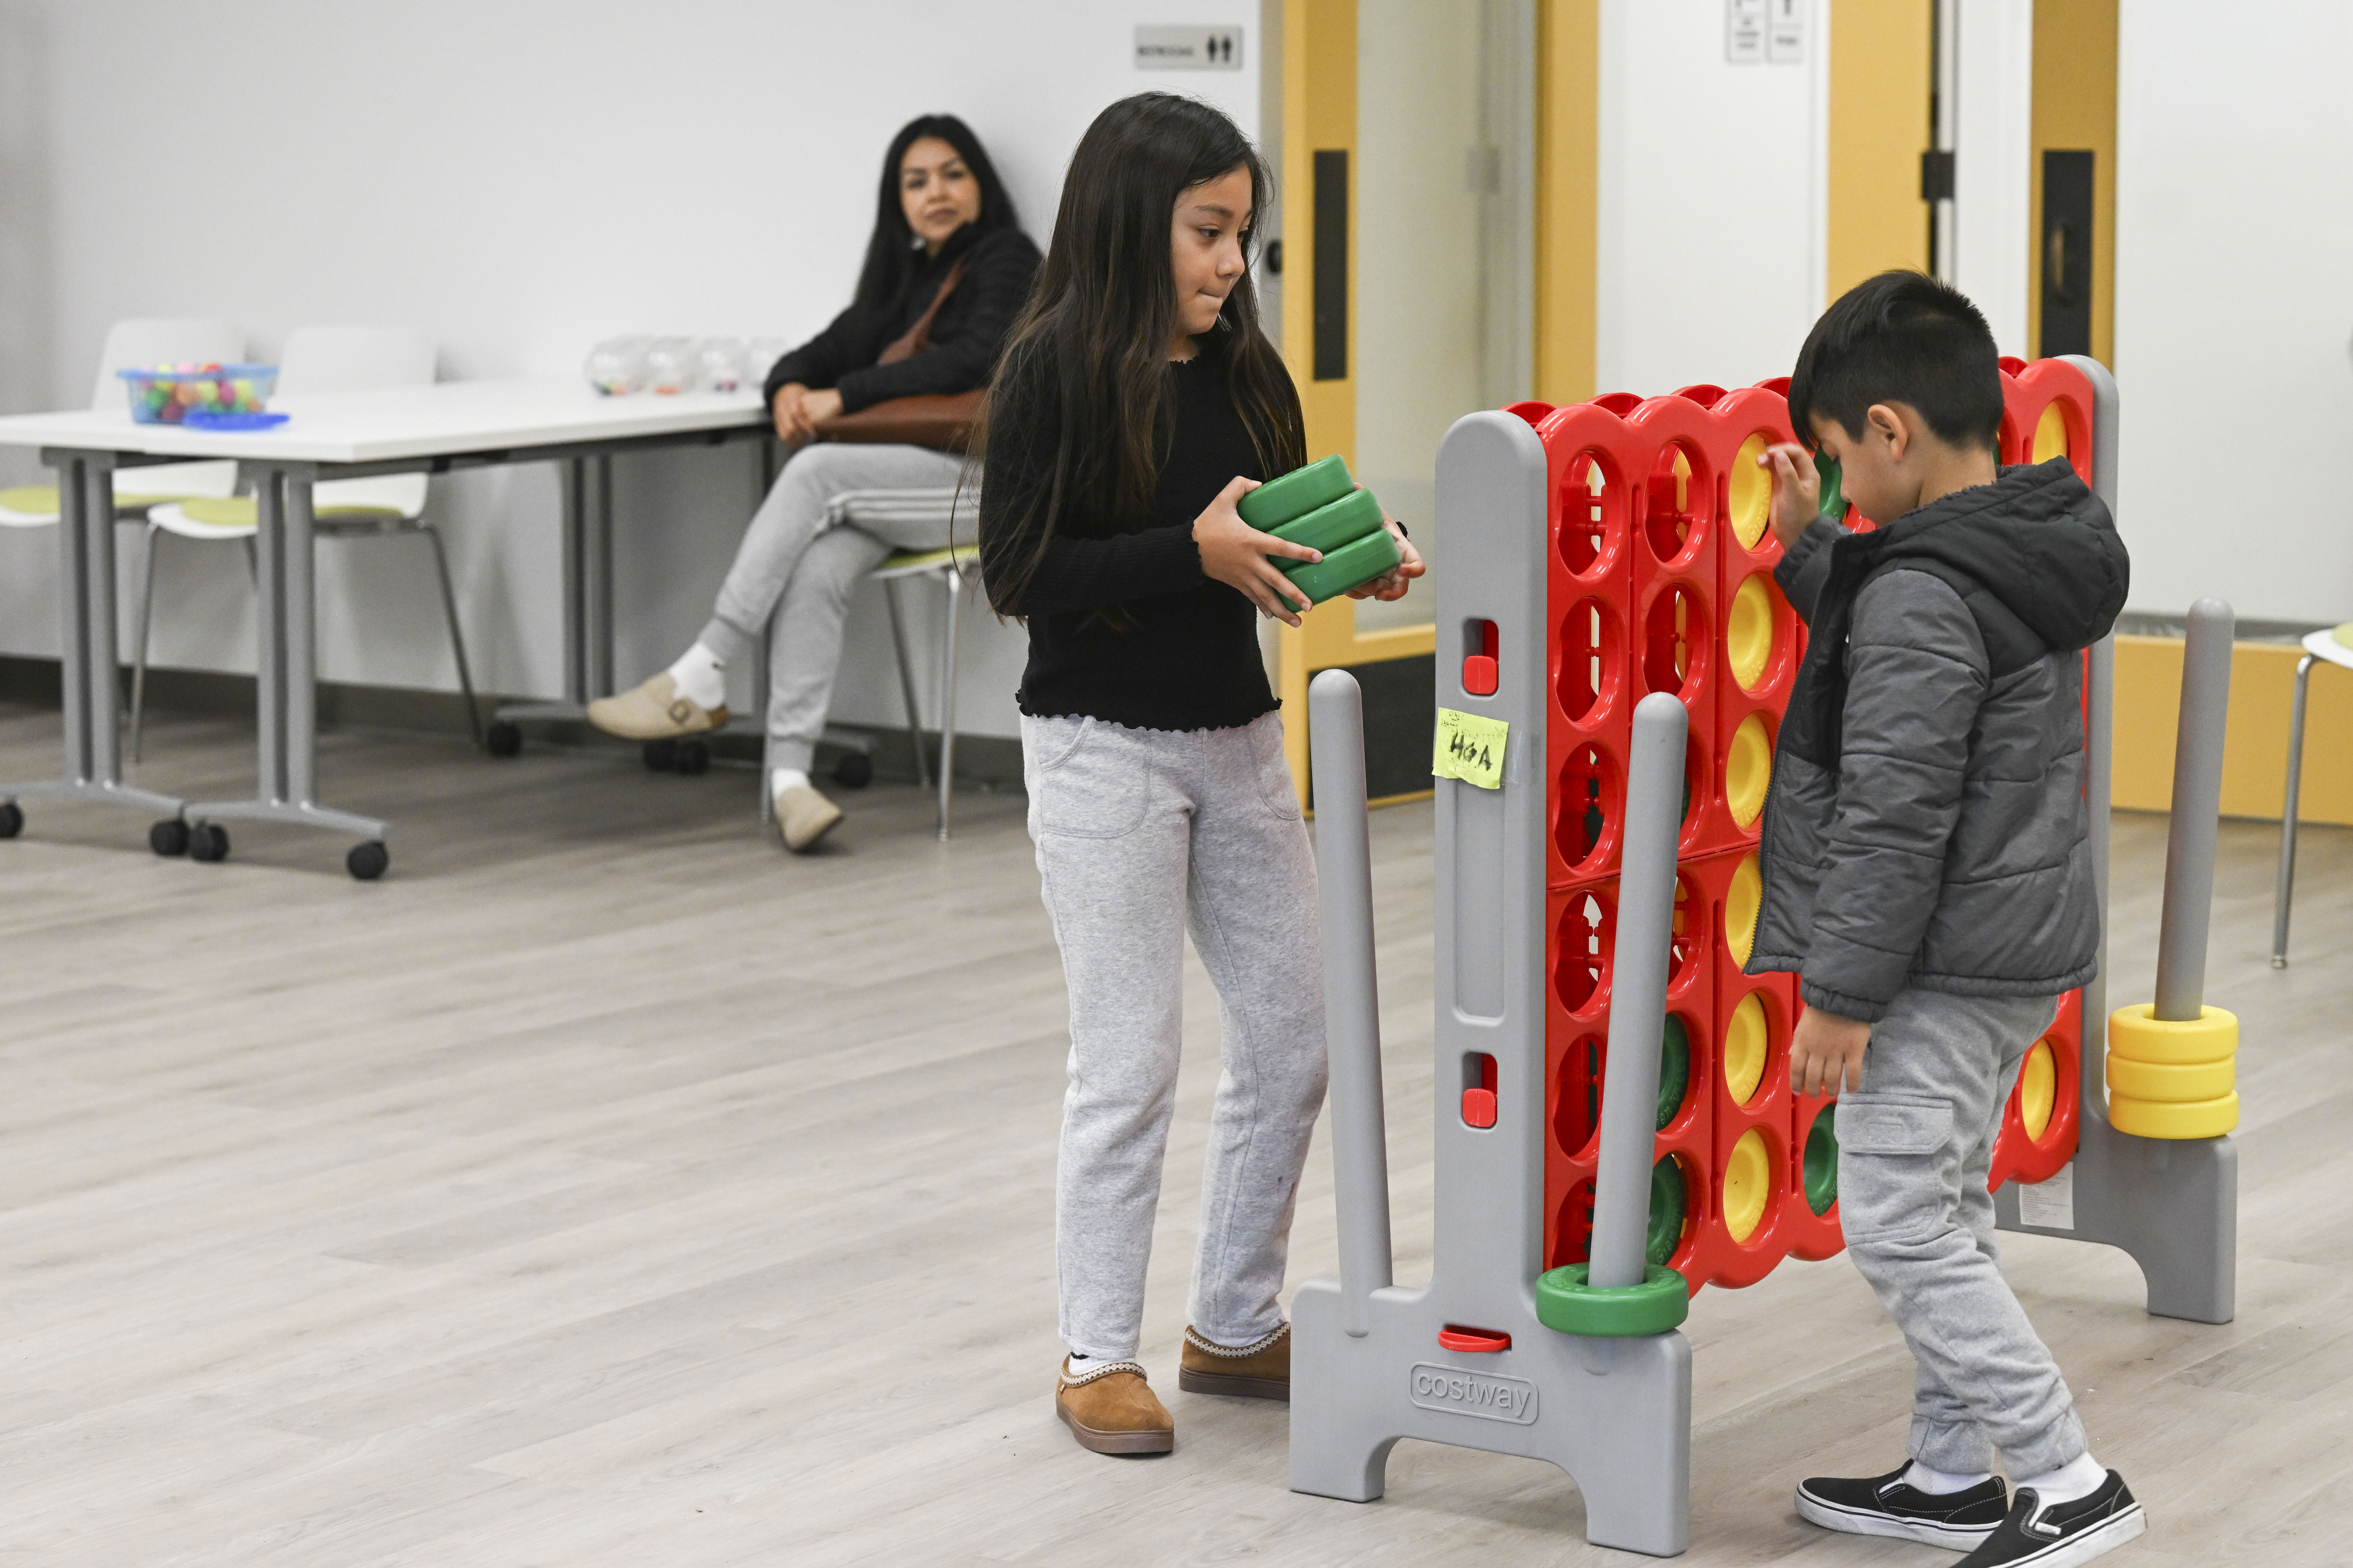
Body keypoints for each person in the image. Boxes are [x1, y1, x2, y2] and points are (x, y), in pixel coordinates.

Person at [978, 92, 1422, 1457]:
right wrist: (1191, 551)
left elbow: (1267, 536)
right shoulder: (1051, 370)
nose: (1231, 261)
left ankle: (1231, 1322)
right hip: (1098, 749)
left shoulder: (1247, 370)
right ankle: (1095, 1352)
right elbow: (1020, 573)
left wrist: (1355, 555)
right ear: (1131, 226)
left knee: (1295, 1038)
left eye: (1241, 233)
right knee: (1129, 1061)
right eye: (1206, 231)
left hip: (1236, 741)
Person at [1751, 271, 2141, 1568]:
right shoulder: (2007, 545)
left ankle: (2064, 1477)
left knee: (1898, 1221)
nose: (1842, 483)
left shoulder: (1922, 591)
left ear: (1890, 430)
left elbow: (1894, 811)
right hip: (2008, 952)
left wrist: (1839, 997)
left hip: (1930, 968)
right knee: (1948, 1204)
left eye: (1837, 456)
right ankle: (1947, 1475)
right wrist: (1813, 546)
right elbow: (1900, 623)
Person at [589, 115, 1040, 851]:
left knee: (817, 469)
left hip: (997, 486)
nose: (935, 192)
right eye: (916, 181)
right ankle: (789, 782)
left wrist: (845, 395)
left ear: (980, 185)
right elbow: (814, 353)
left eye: (952, 174)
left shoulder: (1007, 257)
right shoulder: (904, 282)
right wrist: (790, 388)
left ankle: (704, 669)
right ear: (897, 201)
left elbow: (975, 358)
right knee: (818, 564)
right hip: (914, 485)